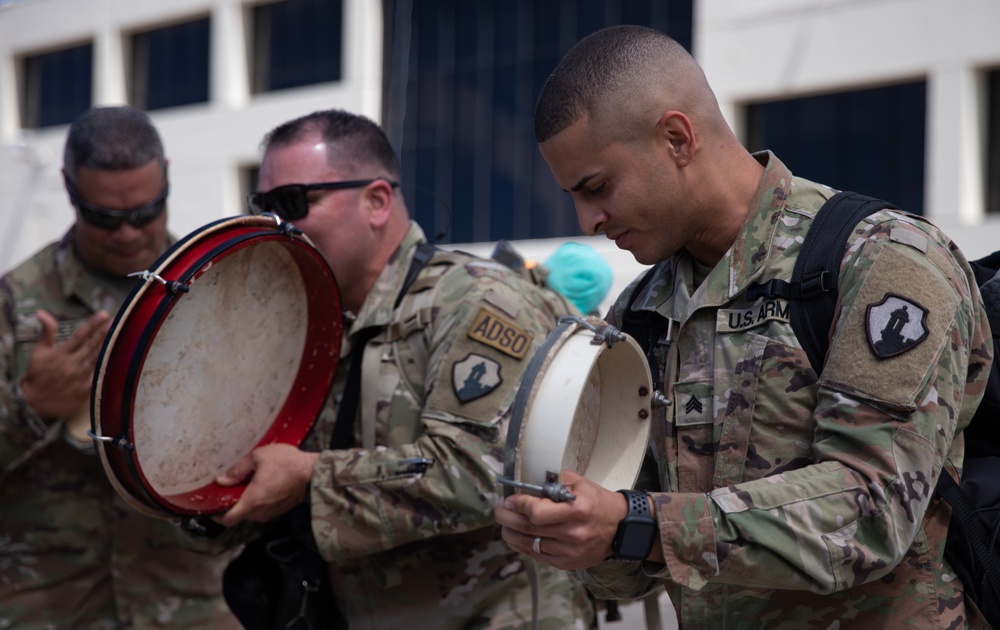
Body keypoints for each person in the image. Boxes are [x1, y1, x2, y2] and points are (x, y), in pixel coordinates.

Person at [494, 25, 994, 629]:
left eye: (597, 187)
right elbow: (630, 563)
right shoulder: (642, 314)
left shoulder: (880, 260)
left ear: (677, 138)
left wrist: (639, 523)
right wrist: (579, 533)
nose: (587, 219)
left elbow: (872, 507)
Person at [214, 109, 595, 628]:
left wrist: (309, 479)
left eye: (293, 203)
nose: (278, 224)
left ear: (376, 201)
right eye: (264, 205)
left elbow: (484, 472)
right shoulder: (300, 325)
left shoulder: (477, 300)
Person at [0, 106, 239, 628]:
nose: (128, 233)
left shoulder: (221, 287)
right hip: (51, 605)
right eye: (104, 217)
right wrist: (31, 407)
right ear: (68, 190)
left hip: (189, 602)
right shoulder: (14, 302)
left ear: (168, 178)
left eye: (147, 211)